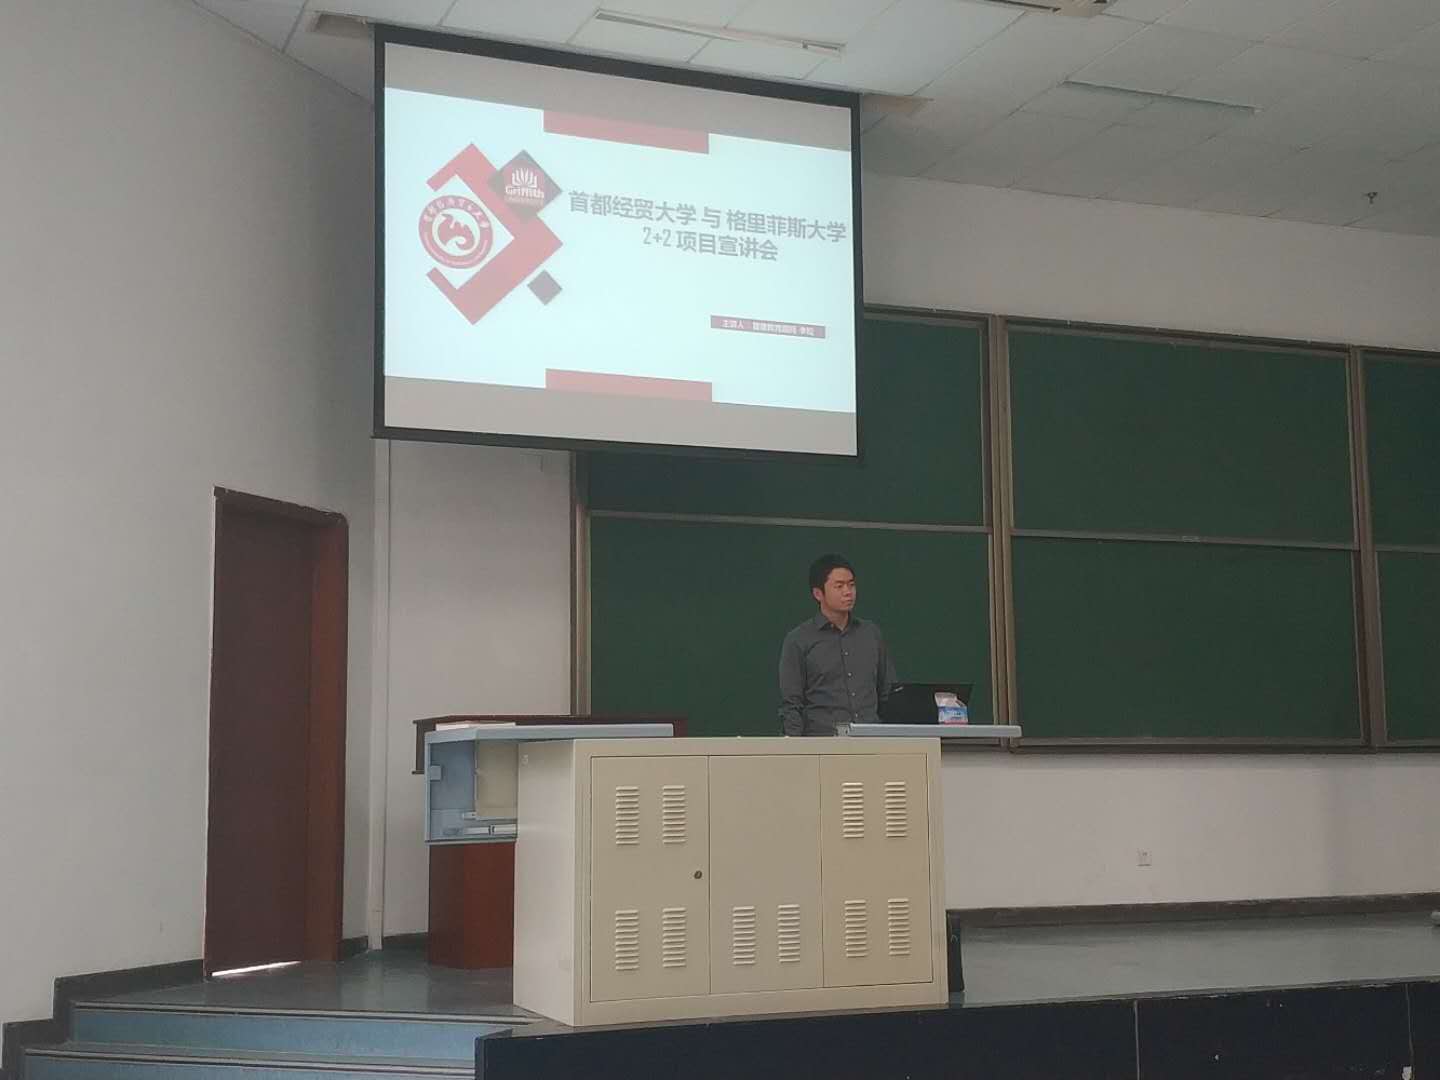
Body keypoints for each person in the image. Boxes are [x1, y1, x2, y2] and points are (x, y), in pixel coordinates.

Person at [778, 554, 895, 736]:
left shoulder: (871, 634)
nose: (848, 592)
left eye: (851, 585)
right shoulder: (799, 640)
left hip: (871, 740)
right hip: (822, 743)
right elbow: (792, 705)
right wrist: (795, 748)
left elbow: (888, 693)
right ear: (818, 594)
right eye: (839, 586)